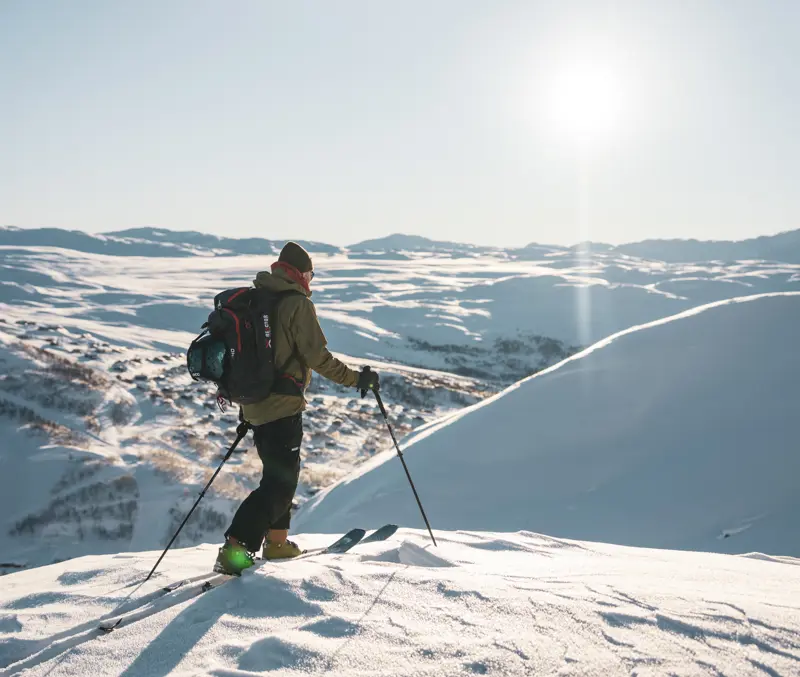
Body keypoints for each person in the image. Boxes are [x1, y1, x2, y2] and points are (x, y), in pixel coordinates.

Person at [214, 241, 380, 576]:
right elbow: (317, 357)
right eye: (310, 275)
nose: (311, 282)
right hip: (280, 406)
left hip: (255, 406)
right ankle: (236, 547)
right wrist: (357, 380)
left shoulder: (259, 297)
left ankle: (277, 542)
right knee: (280, 485)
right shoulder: (295, 304)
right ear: (299, 273)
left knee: (279, 475)